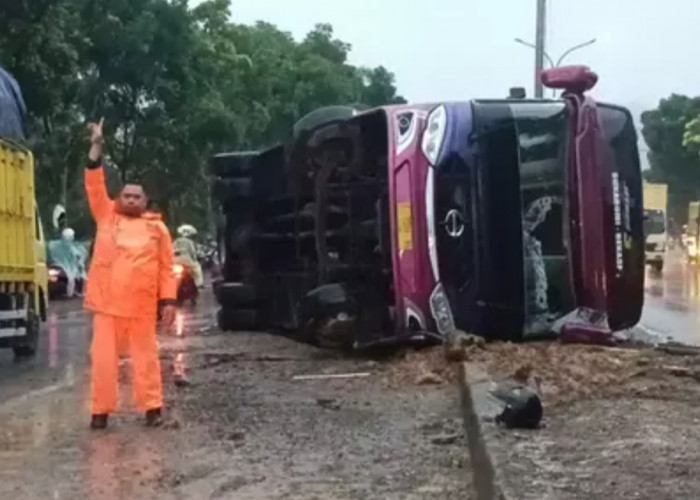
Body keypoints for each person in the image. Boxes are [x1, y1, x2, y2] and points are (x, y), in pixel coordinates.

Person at [84, 118, 177, 429]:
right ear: (118, 199)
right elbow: (94, 183)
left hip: (141, 307)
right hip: (107, 307)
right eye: (126, 196)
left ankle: (152, 408)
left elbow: (167, 268)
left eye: (137, 197)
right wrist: (96, 146)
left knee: (146, 361)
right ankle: (100, 412)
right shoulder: (105, 216)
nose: (131, 200)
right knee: (103, 363)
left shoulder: (158, 229)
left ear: (145, 201)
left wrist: (168, 302)